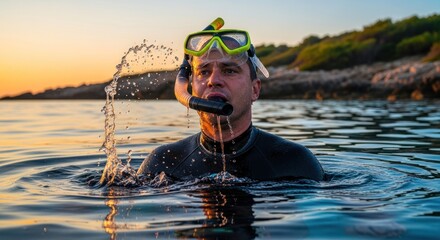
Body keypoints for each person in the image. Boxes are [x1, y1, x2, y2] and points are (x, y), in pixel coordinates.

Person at [137, 18, 324, 181]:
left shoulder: (294, 162)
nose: (214, 81)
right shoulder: (163, 162)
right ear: (191, 87)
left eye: (229, 71)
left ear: (255, 90)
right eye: (204, 71)